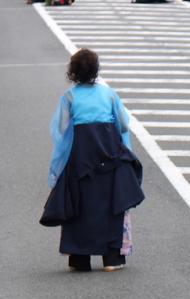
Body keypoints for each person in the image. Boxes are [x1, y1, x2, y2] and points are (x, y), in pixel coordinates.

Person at [40, 48, 144, 272]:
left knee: (79, 204)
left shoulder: (69, 96)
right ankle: (112, 259)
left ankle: (79, 258)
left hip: (80, 160)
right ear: (96, 71)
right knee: (111, 205)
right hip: (109, 158)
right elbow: (124, 125)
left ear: (73, 72)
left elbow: (60, 130)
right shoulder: (109, 94)